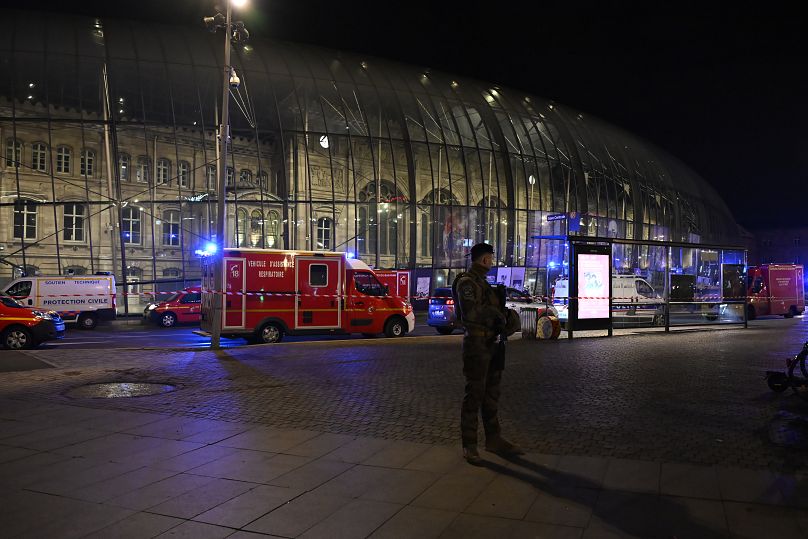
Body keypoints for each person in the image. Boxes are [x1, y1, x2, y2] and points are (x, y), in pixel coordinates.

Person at [454, 242, 523, 465]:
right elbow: (471, 312)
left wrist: (507, 318)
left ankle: (493, 439)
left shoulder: (484, 284)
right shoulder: (467, 282)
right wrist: (497, 314)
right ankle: (470, 445)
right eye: (491, 259)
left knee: (491, 394)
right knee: (474, 394)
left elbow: (495, 313)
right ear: (484, 259)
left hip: (492, 343)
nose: (492, 263)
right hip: (476, 344)